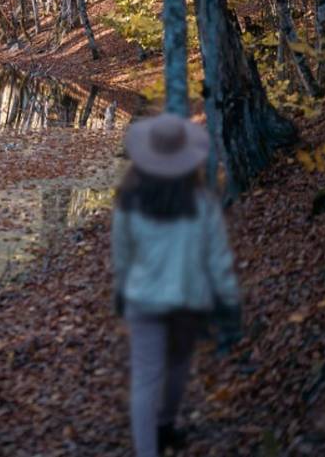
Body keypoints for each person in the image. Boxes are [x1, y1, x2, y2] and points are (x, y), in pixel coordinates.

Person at [112, 113, 241, 457]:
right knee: (178, 367)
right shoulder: (201, 203)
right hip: (186, 300)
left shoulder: (130, 200)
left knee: (145, 378)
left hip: (143, 300)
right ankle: (165, 423)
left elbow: (123, 253)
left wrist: (122, 289)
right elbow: (217, 259)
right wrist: (228, 301)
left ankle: (147, 449)